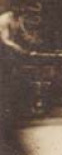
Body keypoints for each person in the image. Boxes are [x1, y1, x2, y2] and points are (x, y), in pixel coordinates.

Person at [0, 10, 35, 155]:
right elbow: (6, 40)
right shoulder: (4, 21)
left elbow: (23, 34)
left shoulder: (16, 19)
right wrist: (19, 49)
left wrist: (31, 43)